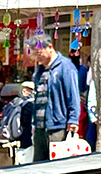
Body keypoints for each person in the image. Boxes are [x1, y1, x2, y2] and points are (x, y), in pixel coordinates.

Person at [32, 33, 80, 162]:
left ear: (50, 47)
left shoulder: (65, 66)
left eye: (39, 53)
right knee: (39, 166)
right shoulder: (39, 71)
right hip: (40, 126)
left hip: (57, 126)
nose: (37, 57)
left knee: (56, 165)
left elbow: (73, 94)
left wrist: (73, 119)